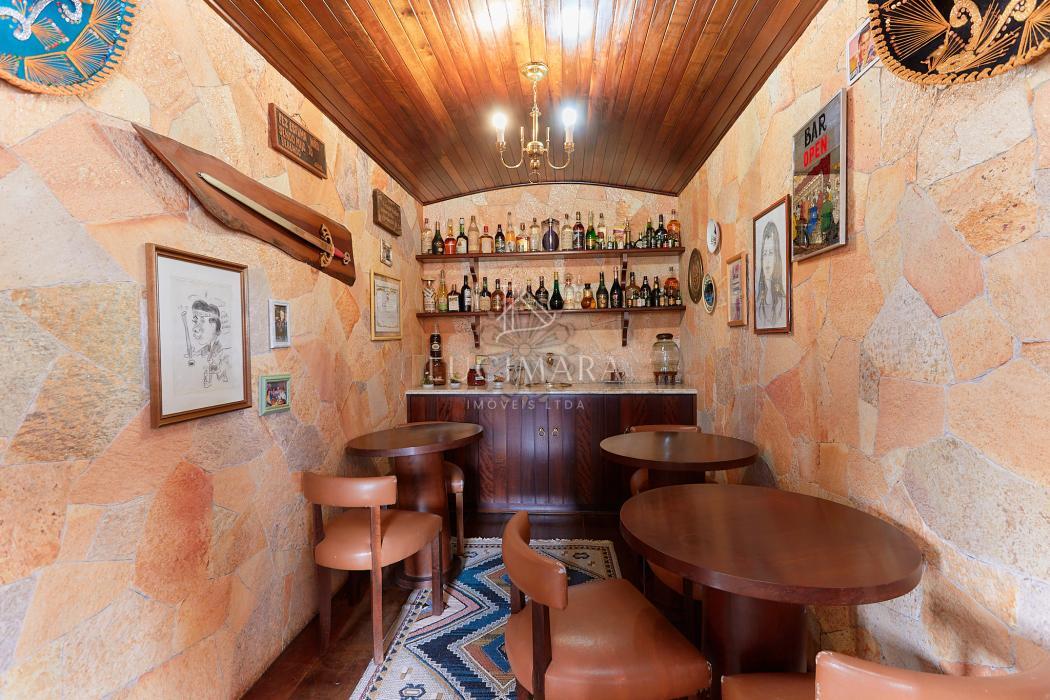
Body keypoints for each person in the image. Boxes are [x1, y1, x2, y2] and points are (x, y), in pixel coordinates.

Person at [190, 299, 230, 388]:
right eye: (195, 322)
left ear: (216, 328)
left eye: (202, 321)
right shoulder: (202, 351)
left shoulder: (224, 355)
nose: (195, 328)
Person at [756, 221, 786, 329]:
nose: (767, 261)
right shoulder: (758, 303)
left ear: (777, 257)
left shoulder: (783, 303)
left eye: (771, 253)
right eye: (764, 254)